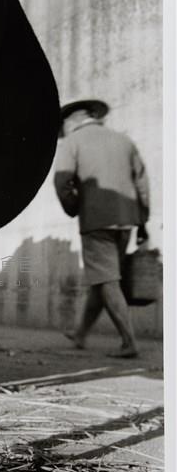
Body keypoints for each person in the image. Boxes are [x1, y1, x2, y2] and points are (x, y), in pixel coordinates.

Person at [54, 99, 150, 358]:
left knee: (107, 279)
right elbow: (141, 183)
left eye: (63, 123)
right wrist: (143, 221)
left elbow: (62, 181)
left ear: (72, 120)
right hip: (126, 221)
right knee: (103, 278)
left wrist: (75, 207)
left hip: (96, 221)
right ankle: (81, 333)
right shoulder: (123, 141)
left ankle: (129, 342)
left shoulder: (73, 142)